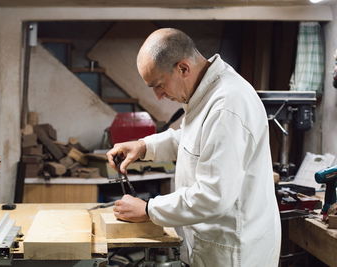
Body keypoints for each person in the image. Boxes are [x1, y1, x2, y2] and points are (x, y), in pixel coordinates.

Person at [106, 28, 281, 266]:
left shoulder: (227, 106)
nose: (158, 96)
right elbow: (191, 141)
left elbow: (213, 196)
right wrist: (143, 146)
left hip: (233, 254)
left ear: (183, 68)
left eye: (158, 85)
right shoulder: (206, 92)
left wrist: (149, 209)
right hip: (211, 244)